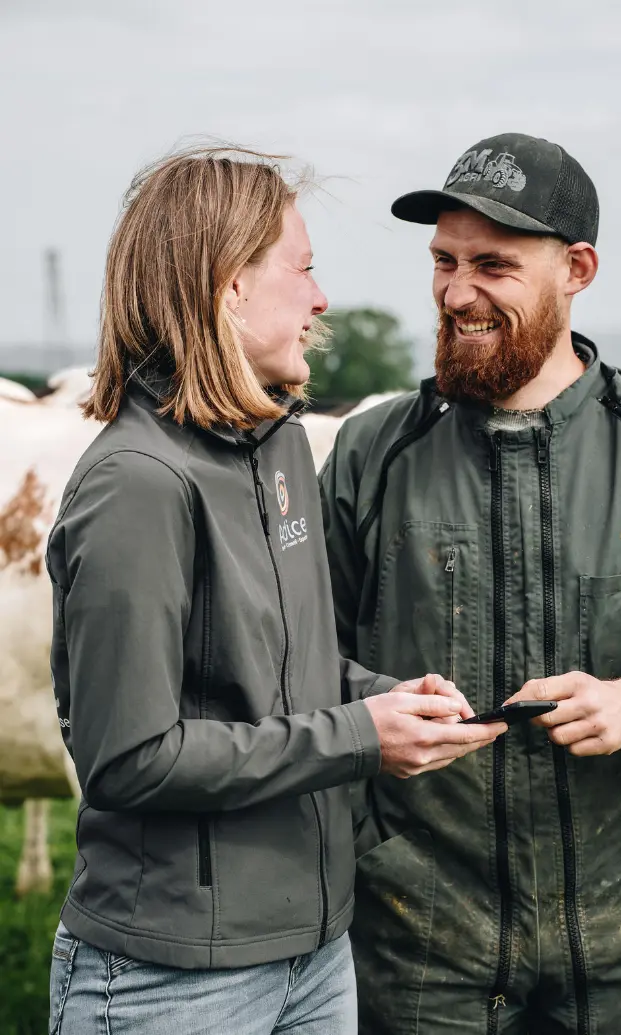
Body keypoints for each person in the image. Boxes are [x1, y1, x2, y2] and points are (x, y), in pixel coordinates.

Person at [46, 146, 505, 1035]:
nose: (322, 298)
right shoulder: (137, 484)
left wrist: (385, 700)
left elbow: (286, 674)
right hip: (173, 980)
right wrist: (358, 738)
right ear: (229, 288)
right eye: (303, 269)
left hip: (315, 954)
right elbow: (128, 756)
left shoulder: (281, 448)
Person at [320, 132, 621, 1035]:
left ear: (577, 269)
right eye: (443, 262)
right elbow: (300, 656)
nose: (456, 293)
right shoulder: (373, 454)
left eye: (492, 265)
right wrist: (374, 708)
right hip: (419, 942)